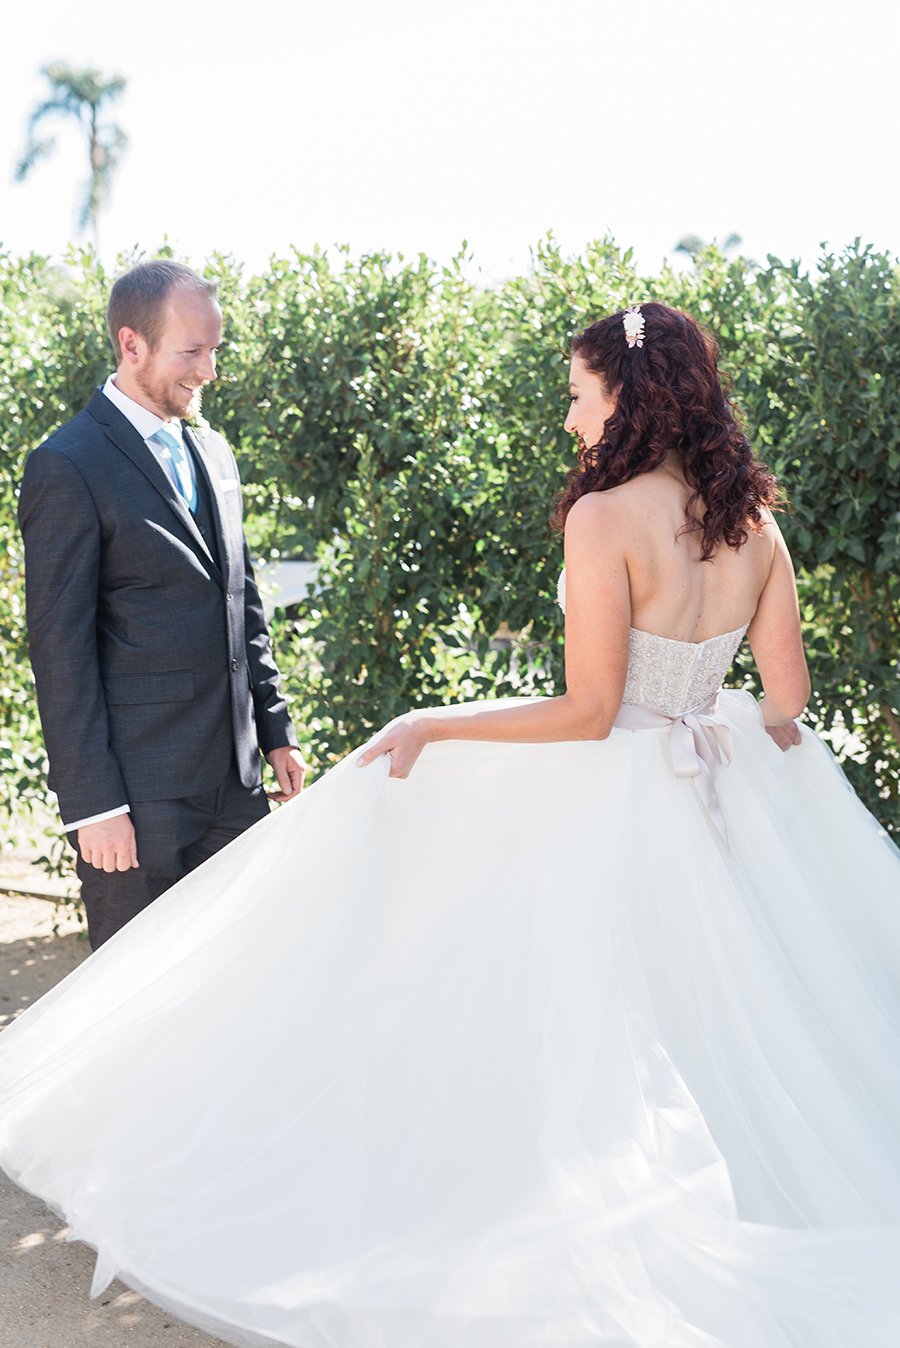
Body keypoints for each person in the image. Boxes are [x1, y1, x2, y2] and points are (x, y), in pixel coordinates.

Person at [2, 302, 899, 1347]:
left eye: (578, 394)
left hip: (610, 801)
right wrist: (727, 754)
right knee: (716, 1021)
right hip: (709, 792)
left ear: (629, 395)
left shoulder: (608, 516)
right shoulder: (757, 522)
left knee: (573, 1030)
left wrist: (439, 718)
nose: (571, 418)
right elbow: (784, 703)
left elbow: (591, 711)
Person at [17, 260, 304, 948]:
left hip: (235, 789)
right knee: (129, 1011)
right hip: (136, 802)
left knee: (242, 981)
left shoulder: (215, 452)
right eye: (192, 352)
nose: (209, 371)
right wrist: (95, 806)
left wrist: (275, 730)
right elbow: (61, 652)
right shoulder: (67, 464)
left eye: (216, 350)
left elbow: (243, 603)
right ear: (132, 344)